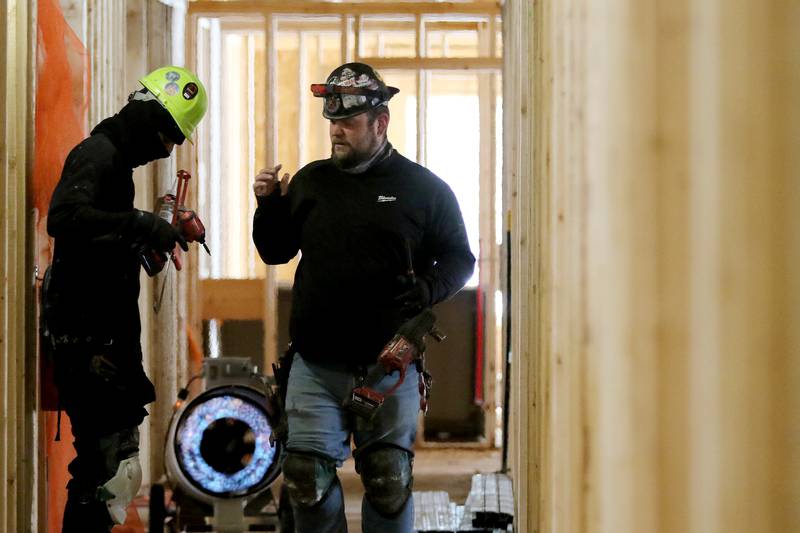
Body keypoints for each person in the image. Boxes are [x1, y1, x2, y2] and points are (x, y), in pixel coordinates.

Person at [252, 62, 475, 533]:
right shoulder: (311, 183)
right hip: (315, 363)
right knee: (304, 479)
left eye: (348, 123)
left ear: (380, 122)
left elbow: (460, 258)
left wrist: (429, 289)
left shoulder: (423, 191)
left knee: (387, 479)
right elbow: (275, 251)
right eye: (332, 122)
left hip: (388, 367)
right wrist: (269, 206)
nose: (337, 132)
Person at [44, 66, 207, 532]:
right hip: (89, 343)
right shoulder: (98, 153)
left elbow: (95, 237)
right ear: (149, 117)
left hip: (105, 338)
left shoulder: (115, 162)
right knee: (108, 475)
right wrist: (140, 224)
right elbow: (65, 217)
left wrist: (143, 238)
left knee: (109, 475)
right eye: (169, 135)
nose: (168, 148)